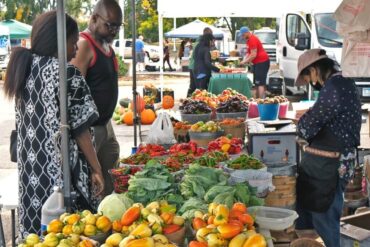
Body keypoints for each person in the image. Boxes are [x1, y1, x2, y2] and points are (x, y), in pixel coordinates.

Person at [3, 11, 104, 238]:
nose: (77, 49)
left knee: (36, 238)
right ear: (57, 41)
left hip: (31, 174)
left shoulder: (25, 68)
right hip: (62, 178)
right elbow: (81, 131)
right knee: (67, 234)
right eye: (73, 42)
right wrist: (96, 168)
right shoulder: (66, 73)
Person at [294, 49, 362, 247]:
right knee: (320, 212)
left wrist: (303, 123)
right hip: (337, 157)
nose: (310, 82)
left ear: (314, 70)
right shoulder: (343, 81)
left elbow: (309, 125)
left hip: (333, 163)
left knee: (325, 215)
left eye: (308, 77)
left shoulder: (335, 86)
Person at [71, 0, 122, 196]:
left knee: (111, 177)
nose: (114, 31)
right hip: (89, 129)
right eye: (110, 25)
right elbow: (73, 93)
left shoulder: (107, 47)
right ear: (93, 18)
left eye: (117, 26)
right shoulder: (84, 45)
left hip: (106, 125)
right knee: (93, 182)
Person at [239, 26, 270, 98]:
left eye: (243, 35)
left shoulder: (252, 40)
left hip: (262, 62)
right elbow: (249, 53)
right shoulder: (249, 40)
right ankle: (258, 99)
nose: (243, 37)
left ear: (247, 33)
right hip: (258, 63)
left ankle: (260, 100)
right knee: (257, 83)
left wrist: (244, 62)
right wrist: (244, 60)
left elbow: (253, 55)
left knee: (260, 83)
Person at [187, 27, 213, 96]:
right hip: (195, 67)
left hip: (193, 66)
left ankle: (188, 101)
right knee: (196, 88)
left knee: (193, 88)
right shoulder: (200, 43)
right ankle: (188, 102)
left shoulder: (198, 41)